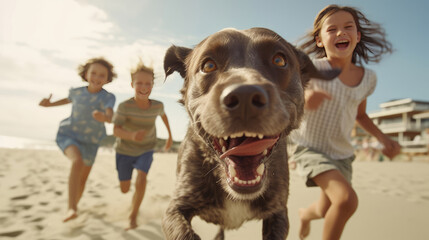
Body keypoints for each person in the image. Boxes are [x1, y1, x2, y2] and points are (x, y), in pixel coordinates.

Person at [291, 5, 401, 240]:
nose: (341, 33)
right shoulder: (312, 69)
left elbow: (360, 115)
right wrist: (307, 100)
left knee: (326, 208)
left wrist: (382, 137)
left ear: (357, 36)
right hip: (310, 148)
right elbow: (292, 101)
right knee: (346, 200)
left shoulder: (368, 79)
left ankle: (304, 214)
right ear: (320, 40)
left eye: (348, 27)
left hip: (341, 153)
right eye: (332, 29)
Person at [39, 57, 117, 222]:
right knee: (77, 162)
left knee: (82, 179)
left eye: (102, 75)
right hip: (69, 134)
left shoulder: (108, 97)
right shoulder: (77, 92)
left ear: (108, 79)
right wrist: (49, 104)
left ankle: (74, 208)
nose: (97, 77)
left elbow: (110, 116)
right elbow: (67, 100)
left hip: (92, 141)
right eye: (93, 73)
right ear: (86, 74)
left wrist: (104, 117)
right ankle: (71, 208)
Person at [112, 60, 172, 230]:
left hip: (146, 149)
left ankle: (133, 216)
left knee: (142, 178)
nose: (144, 87)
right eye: (139, 83)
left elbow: (164, 116)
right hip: (124, 151)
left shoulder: (157, 105)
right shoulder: (125, 106)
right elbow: (116, 130)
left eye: (148, 83)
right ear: (132, 84)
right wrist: (131, 135)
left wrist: (169, 136)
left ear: (153, 85)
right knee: (125, 189)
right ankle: (129, 201)